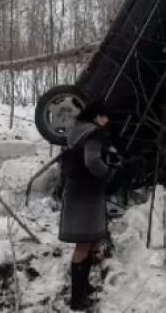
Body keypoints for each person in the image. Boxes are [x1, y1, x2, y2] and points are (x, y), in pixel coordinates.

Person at [59, 101, 119, 310]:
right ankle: (78, 299)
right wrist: (111, 174)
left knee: (89, 242)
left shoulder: (75, 131)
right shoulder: (94, 133)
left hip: (77, 191)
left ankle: (83, 289)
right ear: (96, 116)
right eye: (105, 116)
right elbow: (92, 161)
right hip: (86, 194)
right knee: (84, 245)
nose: (107, 121)